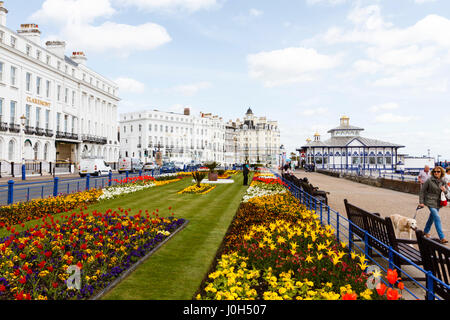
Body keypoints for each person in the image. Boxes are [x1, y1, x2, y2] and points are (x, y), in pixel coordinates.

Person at [419, 166, 448, 244]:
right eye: (435, 171)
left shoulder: (443, 181)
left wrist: (444, 190)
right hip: (430, 201)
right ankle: (442, 237)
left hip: (438, 202)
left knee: (432, 217)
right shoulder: (429, 180)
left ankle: (425, 231)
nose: (436, 173)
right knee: (437, 217)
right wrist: (421, 202)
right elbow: (422, 191)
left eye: (438, 171)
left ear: (441, 172)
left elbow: (447, 192)